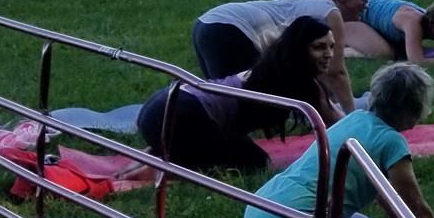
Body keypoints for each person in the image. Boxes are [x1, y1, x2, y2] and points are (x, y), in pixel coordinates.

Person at [240, 63, 434, 218]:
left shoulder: (356, 119)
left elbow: (389, 199)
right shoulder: (392, 142)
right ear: (414, 107)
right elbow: (417, 207)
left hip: (260, 217)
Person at [136, 15, 340, 172]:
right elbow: (337, 122)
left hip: (159, 109)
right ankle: (163, 163)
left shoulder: (271, 68)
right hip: (177, 114)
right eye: (319, 47)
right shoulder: (292, 80)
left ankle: (163, 153)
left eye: (332, 47)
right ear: (300, 49)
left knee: (236, 152)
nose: (329, 54)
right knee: (255, 163)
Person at [192, 0, 356, 113]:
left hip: (206, 22)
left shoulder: (310, 2)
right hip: (231, 28)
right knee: (235, 104)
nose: (365, 4)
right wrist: (351, 114)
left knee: (216, 93)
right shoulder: (331, 12)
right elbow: (336, 72)